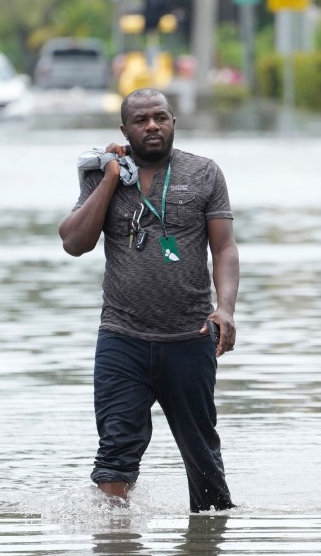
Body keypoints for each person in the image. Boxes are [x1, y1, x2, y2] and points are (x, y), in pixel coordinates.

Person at [58, 87, 239, 512]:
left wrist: (225, 308)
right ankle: (116, 538)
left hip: (191, 338)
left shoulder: (204, 173)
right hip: (123, 339)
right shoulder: (102, 174)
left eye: (160, 117)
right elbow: (74, 243)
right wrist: (108, 177)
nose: (152, 126)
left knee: (203, 460)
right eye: (141, 120)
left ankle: (211, 536)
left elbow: (225, 248)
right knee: (115, 456)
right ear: (125, 130)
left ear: (173, 122)